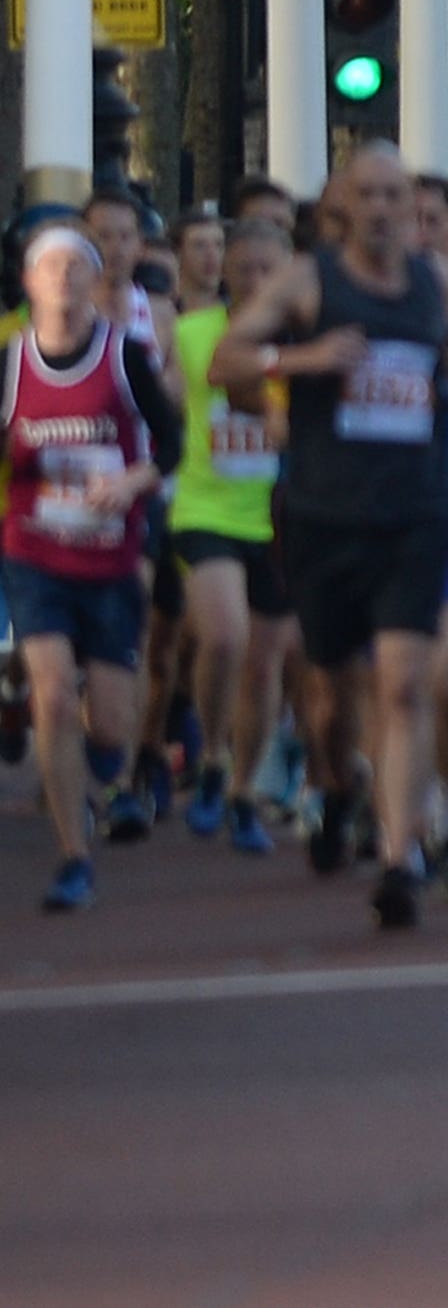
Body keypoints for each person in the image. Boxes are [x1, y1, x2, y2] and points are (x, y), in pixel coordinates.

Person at [218, 140, 448, 928]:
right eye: (364, 196)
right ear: (341, 209)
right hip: (323, 515)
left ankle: (401, 858)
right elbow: (227, 362)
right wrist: (299, 358)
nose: (379, 210)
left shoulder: (442, 285)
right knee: (331, 694)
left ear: (412, 209)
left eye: (392, 196)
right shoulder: (308, 283)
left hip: (417, 511)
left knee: (404, 684)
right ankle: (337, 785)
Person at [7, 224, 173, 911]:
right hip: (35, 553)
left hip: (109, 557)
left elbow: (175, 444)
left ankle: (110, 768)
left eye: (77, 267)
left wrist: (132, 484)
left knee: (108, 723)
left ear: (95, 281)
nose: (64, 279)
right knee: (49, 693)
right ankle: (74, 855)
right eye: (50, 268)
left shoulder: (125, 355)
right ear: (29, 284)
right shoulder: (10, 362)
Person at [169, 218, 296, 853]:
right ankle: (213, 756)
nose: (253, 281)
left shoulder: (302, 344)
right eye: (241, 269)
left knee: (265, 662)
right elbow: (161, 401)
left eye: (266, 270)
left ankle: (245, 789)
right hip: (206, 507)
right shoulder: (192, 334)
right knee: (224, 636)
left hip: (278, 518)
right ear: (223, 274)